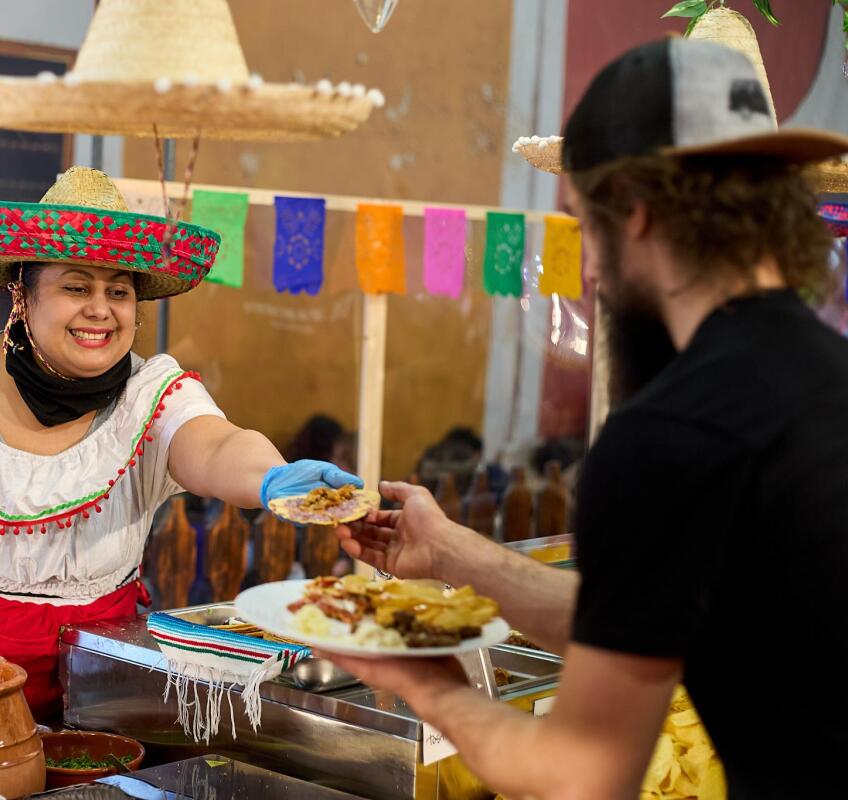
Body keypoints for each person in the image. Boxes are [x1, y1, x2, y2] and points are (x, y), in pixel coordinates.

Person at [324, 39, 848, 799]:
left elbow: (582, 777)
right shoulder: (824, 374)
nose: (591, 270)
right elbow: (649, 622)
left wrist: (426, 683)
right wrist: (453, 555)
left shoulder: (673, 435)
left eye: (582, 226)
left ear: (635, 212)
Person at [0, 167, 360, 718]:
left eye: (119, 292)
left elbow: (215, 446)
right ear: (22, 294)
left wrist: (270, 476)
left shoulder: (152, 394)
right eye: (77, 287)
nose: (100, 311)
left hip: (97, 686)